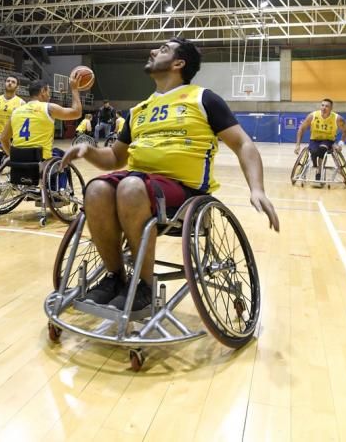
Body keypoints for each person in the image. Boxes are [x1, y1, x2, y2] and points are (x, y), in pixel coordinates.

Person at [61, 37, 279, 312]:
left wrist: (257, 188)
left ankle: (145, 287)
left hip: (184, 193)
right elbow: (116, 157)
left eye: (162, 49)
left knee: (130, 186)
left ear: (179, 63)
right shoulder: (139, 110)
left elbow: (243, 143)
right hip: (139, 183)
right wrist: (88, 151)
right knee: (96, 189)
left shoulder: (204, 99)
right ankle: (115, 278)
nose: (152, 50)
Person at [0, 74, 82, 160]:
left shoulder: (15, 112)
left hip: (19, 162)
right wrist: (74, 89)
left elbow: (3, 139)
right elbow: (77, 113)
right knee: (63, 156)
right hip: (41, 161)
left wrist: (13, 157)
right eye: (48, 92)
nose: (49, 96)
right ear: (43, 91)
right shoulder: (49, 108)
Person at [294, 98, 346, 182]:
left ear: (331, 108)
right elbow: (301, 129)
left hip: (328, 140)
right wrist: (297, 144)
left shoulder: (337, 118)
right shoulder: (313, 116)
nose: (324, 108)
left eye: (327, 106)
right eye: (322, 105)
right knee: (314, 152)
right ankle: (316, 165)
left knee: (322, 149)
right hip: (314, 140)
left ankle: (319, 171)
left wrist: (340, 144)